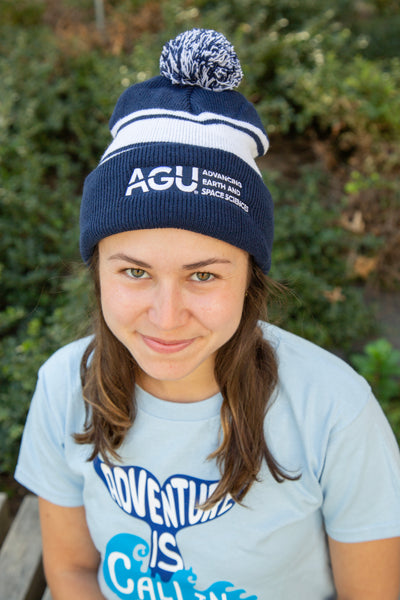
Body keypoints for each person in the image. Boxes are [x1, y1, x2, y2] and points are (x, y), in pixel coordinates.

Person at [15, 28, 400, 600]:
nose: (166, 318)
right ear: (97, 271)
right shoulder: (64, 387)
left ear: (251, 278)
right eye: (135, 271)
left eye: (203, 275)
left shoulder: (336, 416)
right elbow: (71, 572)